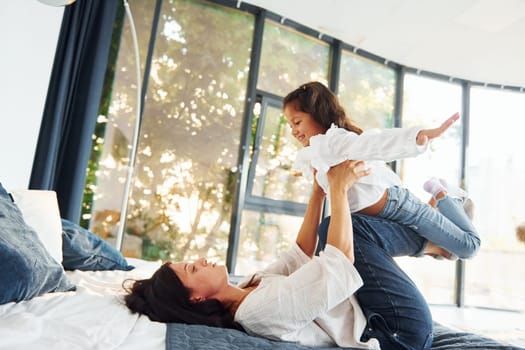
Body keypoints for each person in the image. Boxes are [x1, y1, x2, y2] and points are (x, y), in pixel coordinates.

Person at [124, 160, 434, 350]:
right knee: (338, 230)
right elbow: (339, 266)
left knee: (332, 227)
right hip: (398, 334)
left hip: (376, 313)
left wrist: (318, 193)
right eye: (192, 268)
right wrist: (339, 190)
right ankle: (432, 242)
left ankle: (432, 239)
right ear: (196, 299)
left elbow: (297, 255)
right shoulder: (257, 311)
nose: (201, 260)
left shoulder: (247, 287)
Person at [283, 81, 480, 260]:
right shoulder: (317, 157)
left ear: (318, 114)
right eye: (290, 125)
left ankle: (443, 195)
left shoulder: (335, 141)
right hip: (378, 217)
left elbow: (376, 143)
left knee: (468, 248)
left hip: (400, 206)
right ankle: (439, 235)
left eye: (297, 122)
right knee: (446, 250)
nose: (293, 130)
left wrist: (417, 137)